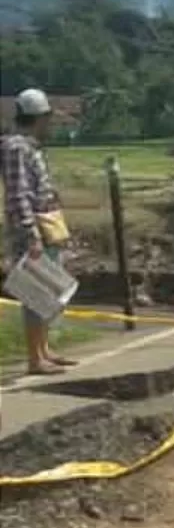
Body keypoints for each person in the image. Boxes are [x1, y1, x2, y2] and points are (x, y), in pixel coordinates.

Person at [1, 88, 77, 375]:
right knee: (35, 293)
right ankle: (35, 358)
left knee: (46, 292)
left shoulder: (28, 146)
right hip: (31, 229)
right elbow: (19, 194)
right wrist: (31, 233)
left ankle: (44, 351)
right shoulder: (17, 148)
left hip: (44, 225)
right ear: (39, 117)